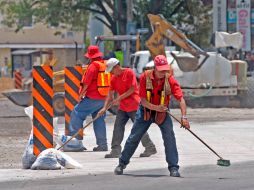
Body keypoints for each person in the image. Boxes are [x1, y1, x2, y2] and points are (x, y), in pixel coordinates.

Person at [114, 55, 190, 177]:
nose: (163, 72)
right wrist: (156, 108)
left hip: (162, 113)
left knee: (169, 137)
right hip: (146, 112)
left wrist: (184, 117)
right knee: (134, 137)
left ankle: (173, 168)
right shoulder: (145, 77)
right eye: (161, 70)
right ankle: (121, 164)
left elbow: (180, 99)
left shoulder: (169, 79)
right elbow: (143, 101)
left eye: (165, 69)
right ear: (155, 68)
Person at [98, 58, 157, 158]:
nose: (111, 73)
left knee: (138, 128)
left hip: (134, 105)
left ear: (117, 67)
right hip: (123, 107)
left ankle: (150, 147)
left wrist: (119, 98)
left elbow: (133, 89)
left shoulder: (129, 72)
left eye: (112, 70)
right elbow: (110, 95)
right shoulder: (113, 78)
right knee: (118, 127)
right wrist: (104, 108)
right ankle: (115, 150)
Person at [68, 45, 109, 151]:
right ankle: (103, 145)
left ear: (90, 56)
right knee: (99, 120)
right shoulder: (104, 65)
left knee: (76, 113)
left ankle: (75, 143)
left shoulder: (93, 66)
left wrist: (80, 95)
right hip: (104, 98)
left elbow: (86, 83)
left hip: (93, 98)